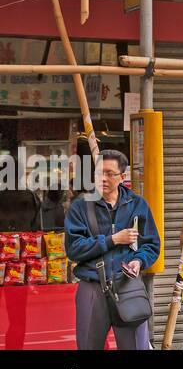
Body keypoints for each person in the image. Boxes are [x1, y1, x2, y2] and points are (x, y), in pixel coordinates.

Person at [64, 149, 161, 350]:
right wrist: (112, 240)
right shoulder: (80, 206)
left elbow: (151, 244)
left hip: (127, 285)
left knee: (135, 346)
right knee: (88, 346)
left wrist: (139, 261)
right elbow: (73, 249)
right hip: (91, 287)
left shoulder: (137, 204)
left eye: (110, 173)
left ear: (122, 177)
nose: (103, 178)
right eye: (99, 173)